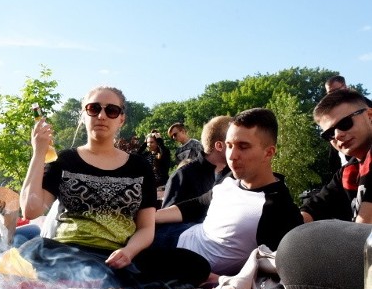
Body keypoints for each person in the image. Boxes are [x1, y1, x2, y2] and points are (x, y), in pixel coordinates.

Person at [18, 85, 210, 289]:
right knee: (34, 248)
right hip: (70, 252)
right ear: (83, 115)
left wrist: (128, 252)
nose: (102, 115)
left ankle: (89, 281)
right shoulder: (65, 160)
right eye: (94, 109)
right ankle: (107, 282)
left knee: (195, 264)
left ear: (121, 119)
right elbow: (31, 210)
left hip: (119, 257)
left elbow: (146, 228)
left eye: (111, 110)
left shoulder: (139, 166)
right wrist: (38, 153)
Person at [154, 108, 303, 277]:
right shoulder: (230, 178)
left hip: (184, 266)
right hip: (174, 234)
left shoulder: (278, 209)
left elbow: (279, 272)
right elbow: (197, 204)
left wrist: (217, 281)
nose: (232, 156)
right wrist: (150, 218)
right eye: (229, 146)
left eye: (243, 146)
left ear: (268, 152)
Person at [300, 88, 372, 224]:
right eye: (329, 134)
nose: (338, 135)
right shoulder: (348, 171)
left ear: (369, 116)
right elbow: (312, 209)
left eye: (345, 123)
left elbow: (364, 231)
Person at [161, 116, 232, 209]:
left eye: (175, 134)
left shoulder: (235, 174)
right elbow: (168, 217)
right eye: (232, 144)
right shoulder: (181, 177)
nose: (174, 138)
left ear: (183, 131)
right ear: (218, 145)